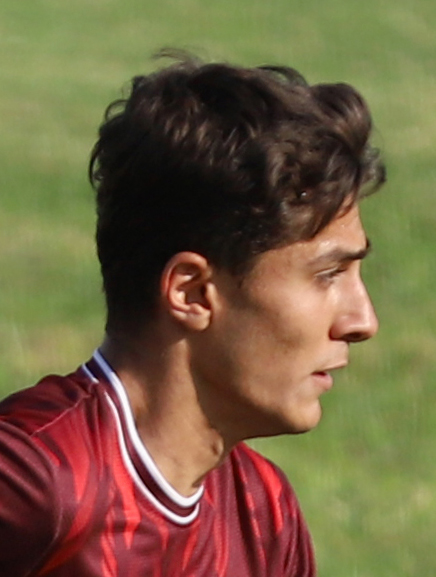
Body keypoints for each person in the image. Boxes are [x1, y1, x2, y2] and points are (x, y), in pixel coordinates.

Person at [0, 51, 385, 576]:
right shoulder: (35, 482)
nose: (363, 321)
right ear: (193, 292)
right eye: (327, 275)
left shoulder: (265, 516)